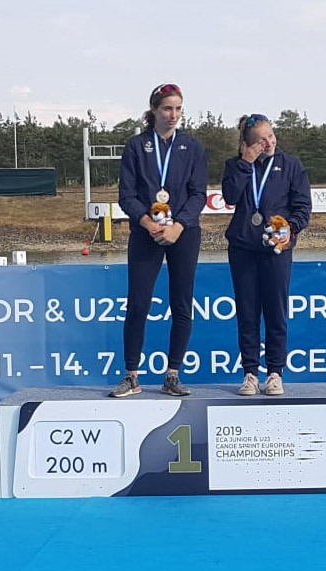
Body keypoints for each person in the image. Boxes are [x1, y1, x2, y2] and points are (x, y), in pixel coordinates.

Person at [108, 83, 208, 398]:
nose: (173, 115)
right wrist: (148, 222)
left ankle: (172, 376)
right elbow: (126, 195)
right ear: (154, 110)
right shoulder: (136, 146)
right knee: (138, 302)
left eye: (178, 109)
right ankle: (131, 376)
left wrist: (179, 225)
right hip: (145, 232)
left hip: (183, 233)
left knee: (181, 303)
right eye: (167, 108)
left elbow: (199, 194)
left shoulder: (192, 147)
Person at [221, 114, 312, 396]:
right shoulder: (235, 165)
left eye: (271, 136)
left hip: (276, 249)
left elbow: (303, 207)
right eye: (261, 140)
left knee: (276, 312)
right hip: (243, 248)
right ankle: (250, 373)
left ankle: (275, 372)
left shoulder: (291, 165)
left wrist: (291, 228)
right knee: (247, 313)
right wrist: (245, 163)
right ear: (249, 144)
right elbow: (230, 196)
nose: (269, 143)